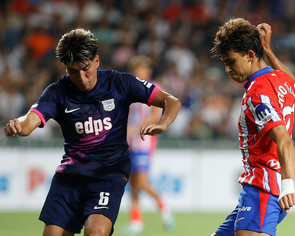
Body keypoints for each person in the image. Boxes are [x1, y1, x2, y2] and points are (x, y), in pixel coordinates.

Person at [3, 28, 181, 236]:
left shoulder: (119, 83)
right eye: (73, 71)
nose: (81, 77)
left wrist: (164, 123)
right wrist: (18, 125)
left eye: (85, 68)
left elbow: (172, 101)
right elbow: (30, 120)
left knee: (95, 232)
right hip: (71, 175)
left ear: (96, 60)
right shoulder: (57, 91)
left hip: (109, 172)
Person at [210, 18, 295, 236]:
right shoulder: (280, 79)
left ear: (250, 55)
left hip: (263, 187)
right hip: (267, 186)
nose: (227, 69)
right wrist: (267, 50)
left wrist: (288, 184)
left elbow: (284, 140)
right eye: (224, 63)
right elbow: (293, 84)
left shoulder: (258, 93)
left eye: (231, 61)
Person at [121, 55, 176, 235]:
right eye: (136, 69)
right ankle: (136, 221)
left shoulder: (155, 88)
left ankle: (163, 207)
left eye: (142, 69)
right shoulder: (128, 88)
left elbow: (154, 116)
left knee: (142, 182)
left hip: (144, 142)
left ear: (148, 71)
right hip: (128, 142)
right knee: (132, 182)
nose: (139, 72)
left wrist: (134, 129)